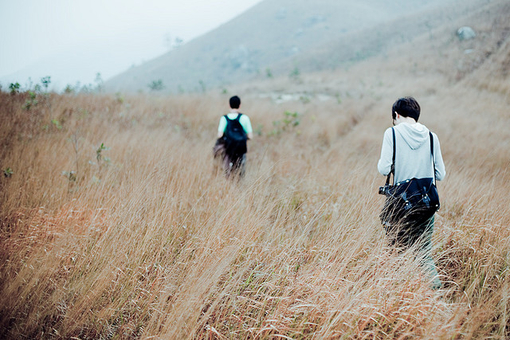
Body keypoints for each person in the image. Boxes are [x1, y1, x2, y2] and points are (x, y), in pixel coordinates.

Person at [377, 97, 446, 289]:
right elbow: (440, 174)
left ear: (396, 115)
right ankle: (437, 299)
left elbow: (383, 169)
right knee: (424, 254)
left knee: (397, 253)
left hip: (401, 203)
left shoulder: (391, 133)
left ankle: (397, 299)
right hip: (426, 204)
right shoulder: (432, 137)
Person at [213, 95, 253, 178]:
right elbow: (250, 136)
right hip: (240, 148)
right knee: (240, 171)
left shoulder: (224, 118)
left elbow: (219, 135)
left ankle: (229, 184)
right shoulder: (245, 118)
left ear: (229, 105)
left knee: (227, 170)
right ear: (240, 105)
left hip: (228, 148)